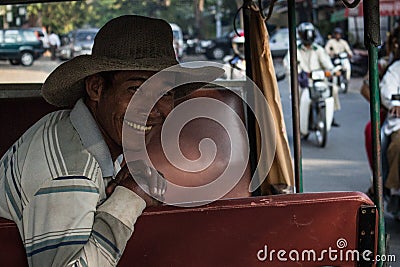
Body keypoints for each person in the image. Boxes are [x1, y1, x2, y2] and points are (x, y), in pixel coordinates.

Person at [0, 15, 222, 266]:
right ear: (96, 88)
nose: (152, 108)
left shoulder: (77, 130)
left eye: (165, 93)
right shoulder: (71, 170)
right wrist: (129, 197)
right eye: (135, 90)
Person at [284, 22, 341, 126]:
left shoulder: (318, 49)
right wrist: (300, 72)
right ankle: (300, 122)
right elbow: (289, 64)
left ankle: (330, 115)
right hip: (303, 81)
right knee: (297, 97)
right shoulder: (295, 49)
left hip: (318, 80)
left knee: (334, 89)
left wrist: (333, 70)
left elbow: (327, 63)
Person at [378, 25, 400, 220]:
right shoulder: (394, 69)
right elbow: (386, 92)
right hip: (398, 123)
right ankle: (394, 188)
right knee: (397, 146)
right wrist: (395, 103)